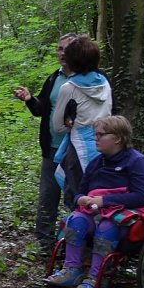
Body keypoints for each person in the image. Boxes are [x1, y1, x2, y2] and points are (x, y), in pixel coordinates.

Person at [45, 116, 144, 288]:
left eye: (101, 135)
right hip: (95, 212)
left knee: (107, 226)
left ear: (117, 138)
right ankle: (71, 270)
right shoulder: (96, 162)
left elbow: (143, 197)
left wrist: (105, 201)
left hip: (128, 218)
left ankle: (94, 279)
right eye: (95, 134)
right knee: (76, 220)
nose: (96, 138)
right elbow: (79, 192)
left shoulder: (137, 162)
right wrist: (81, 198)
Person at [14, 33, 77, 252]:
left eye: (66, 49)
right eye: (59, 49)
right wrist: (30, 99)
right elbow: (42, 109)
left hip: (77, 148)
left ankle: (74, 243)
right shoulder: (54, 78)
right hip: (52, 146)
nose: (61, 53)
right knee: (48, 195)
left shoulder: (91, 79)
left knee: (74, 195)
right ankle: (44, 242)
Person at [51, 35, 113, 211]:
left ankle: (77, 236)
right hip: (106, 146)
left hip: (78, 150)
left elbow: (58, 126)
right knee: (100, 198)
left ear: (71, 61)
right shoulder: (105, 83)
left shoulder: (69, 87)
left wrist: (72, 123)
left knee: (79, 200)